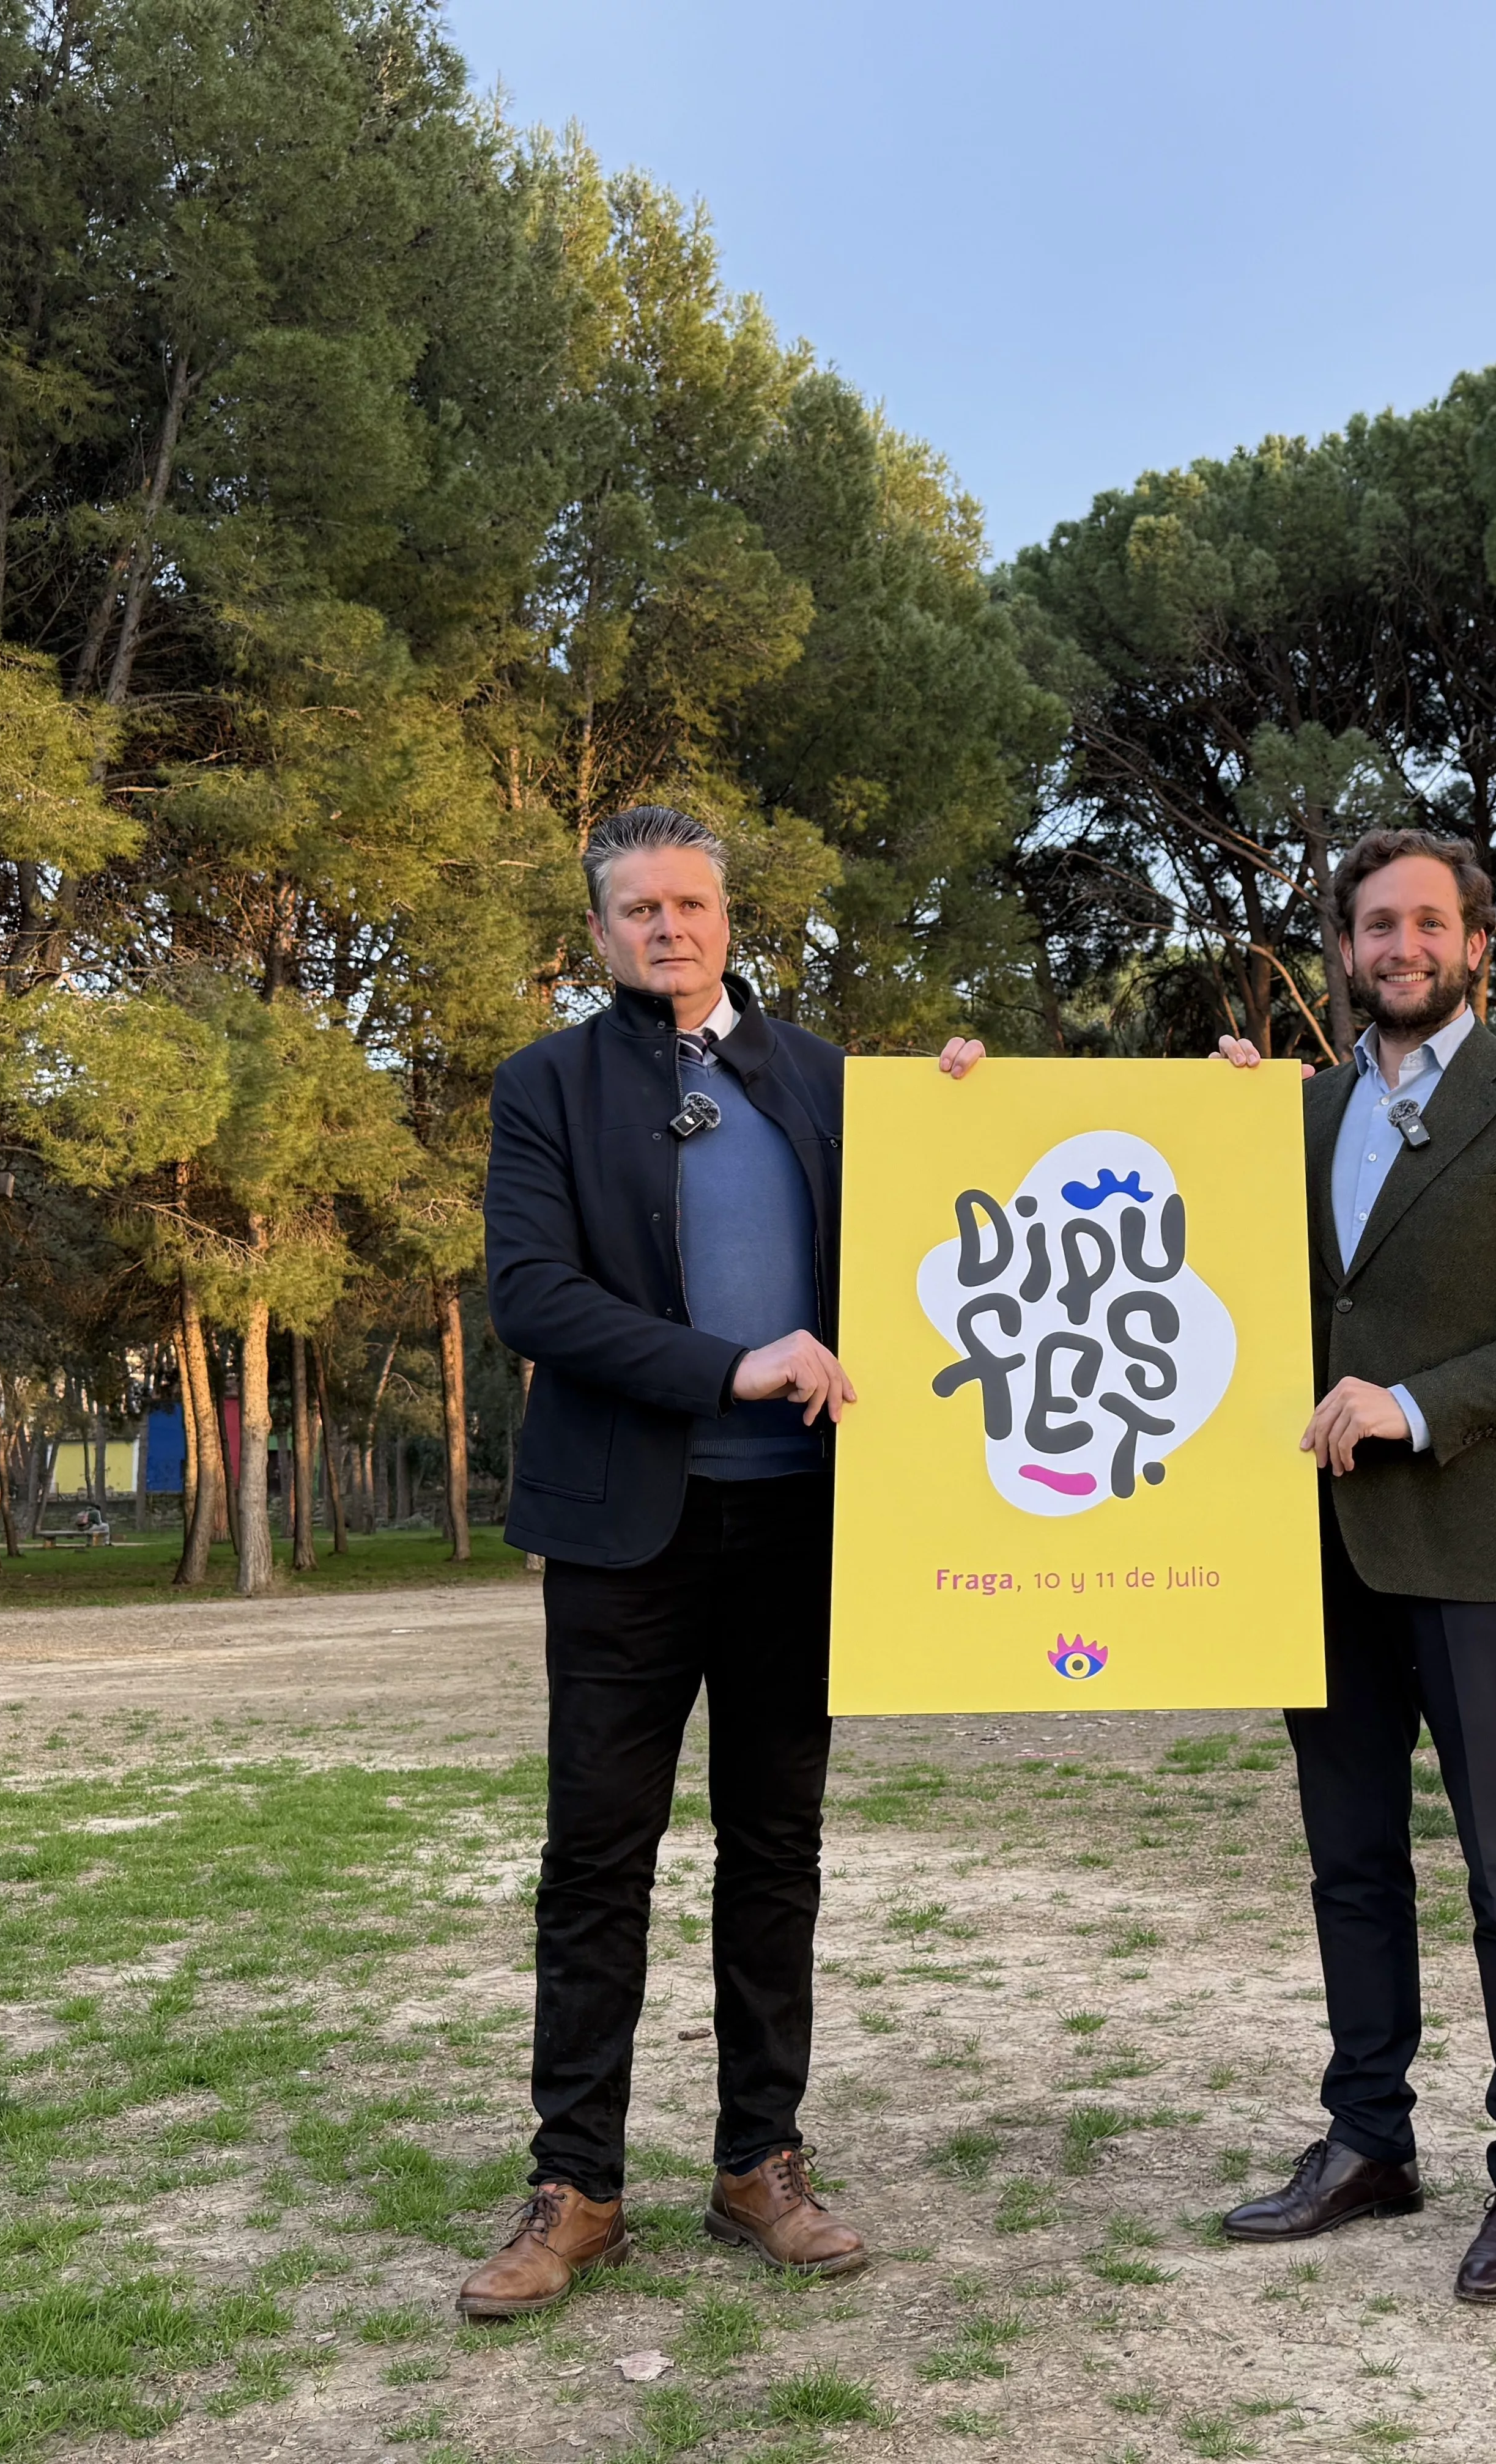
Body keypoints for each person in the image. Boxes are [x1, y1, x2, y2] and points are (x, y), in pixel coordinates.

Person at [1202, 827, 1496, 2306]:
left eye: (1425, 923)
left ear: (1474, 945)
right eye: (1372, 922)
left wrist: (1417, 1402)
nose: (1398, 945)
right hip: (1308, 1553)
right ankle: (1367, 2138)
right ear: (1342, 947)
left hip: (1474, 1537)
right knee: (1350, 1864)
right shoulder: (1296, 1110)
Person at [463, 803, 867, 2320]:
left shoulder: (825, 1078)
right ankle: (578, 2186)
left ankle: (759, 2160)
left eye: (690, 903)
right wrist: (730, 1367)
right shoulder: (544, 1085)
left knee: (776, 1852)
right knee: (595, 1858)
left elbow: (945, 1231)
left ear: (725, 912)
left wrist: (972, 1103)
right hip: (621, 1529)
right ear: (599, 930)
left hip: (801, 1530)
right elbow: (533, 1297)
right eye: (638, 909)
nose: (669, 928)